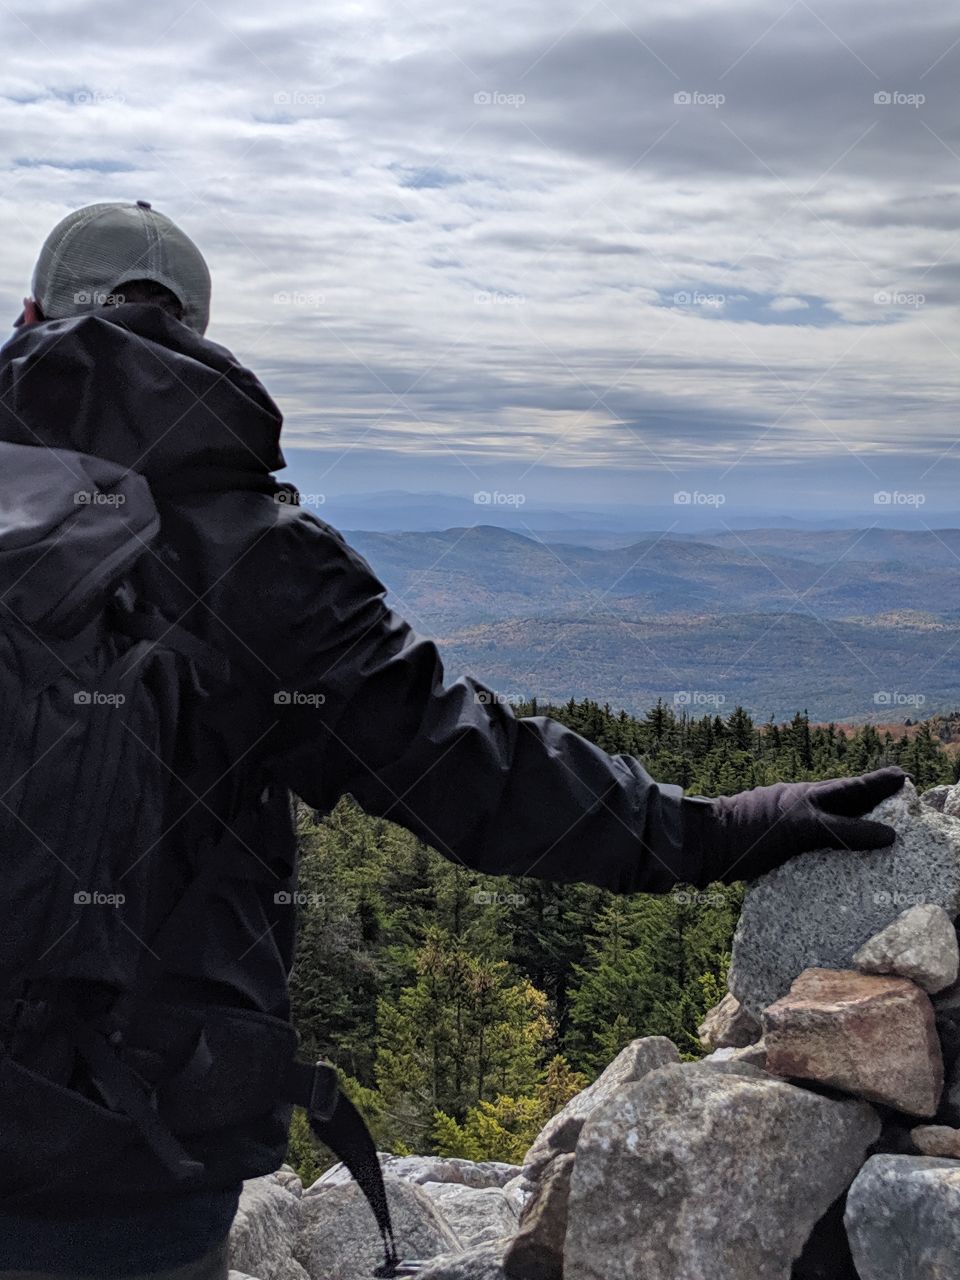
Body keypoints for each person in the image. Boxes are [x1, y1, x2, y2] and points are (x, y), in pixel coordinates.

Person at [0, 201, 906, 1280]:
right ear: (196, 330)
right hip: (127, 1146)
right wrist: (715, 829)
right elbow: (473, 768)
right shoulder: (258, 556)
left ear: (29, 313)